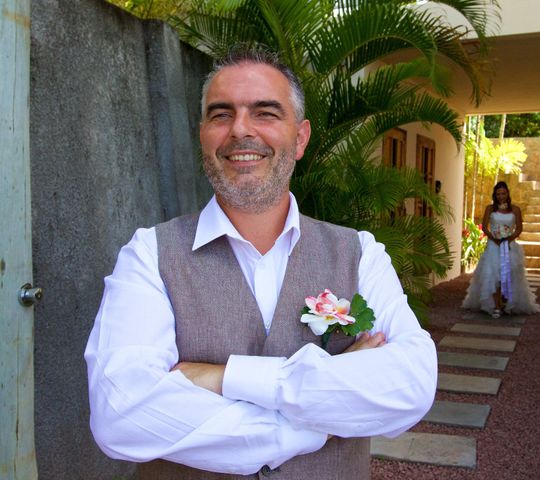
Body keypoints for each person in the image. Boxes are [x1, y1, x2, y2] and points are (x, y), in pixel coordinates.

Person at [84, 46, 437, 479]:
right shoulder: (149, 255)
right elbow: (122, 415)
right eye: (220, 114)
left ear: (301, 138)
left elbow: (410, 387)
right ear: (202, 134)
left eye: (265, 113)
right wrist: (313, 422)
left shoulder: (360, 253)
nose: (240, 130)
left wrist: (226, 377)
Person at [462, 181, 540, 318]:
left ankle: (507, 303)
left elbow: (519, 228)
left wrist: (508, 239)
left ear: (507, 194)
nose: (501, 196)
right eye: (498, 194)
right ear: (495, 195)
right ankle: (496, 305)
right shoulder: (490, 209)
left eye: (503, 193)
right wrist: (493, 238)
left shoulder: (515, 209)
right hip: (493, 246)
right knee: (493, 275)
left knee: (509, 275)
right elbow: (485, 226)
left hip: (509, 246)